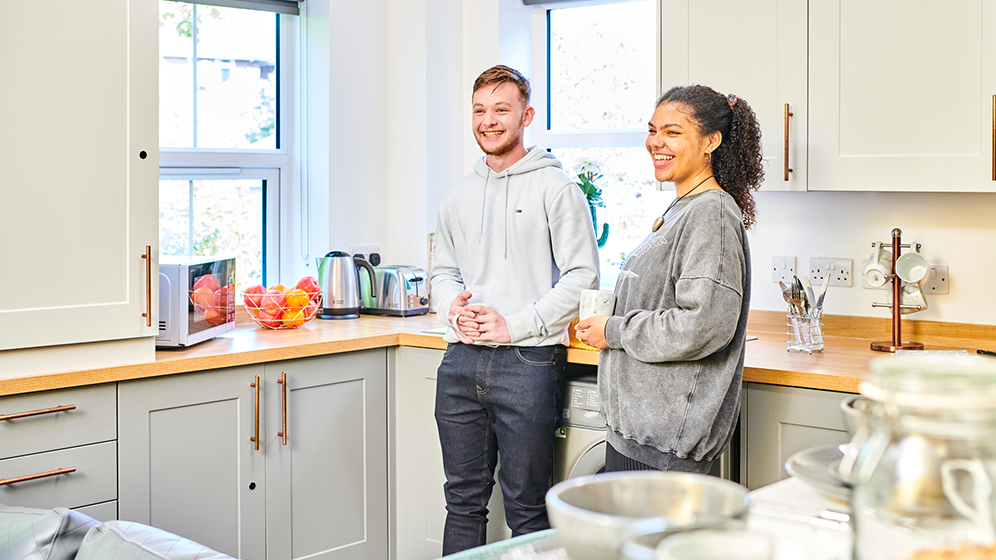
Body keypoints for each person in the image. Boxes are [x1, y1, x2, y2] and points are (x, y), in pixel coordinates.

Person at [429, 65, 600, 554]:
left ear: (525, 116)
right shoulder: (456, 196)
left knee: (527, 507)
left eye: (501, 110)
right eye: (480, 110)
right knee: (461, 502)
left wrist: (515, 325)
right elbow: (442, 272)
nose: (489, 121)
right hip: (461, 359)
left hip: (528, 361)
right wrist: (451, 308)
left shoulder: (556, 189)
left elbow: (583, 276)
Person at [575, 84, 763, 474]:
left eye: (672, 132)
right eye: (653, 130)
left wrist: (614, 331)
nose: (656, 142)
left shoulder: (711, 214)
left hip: (663, 441)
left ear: (711, 141)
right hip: (642, 431)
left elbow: (703, 324)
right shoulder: (684, 207)